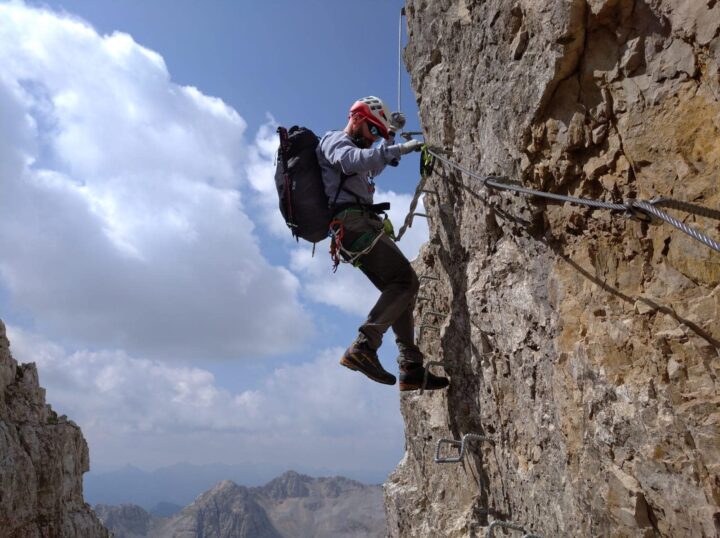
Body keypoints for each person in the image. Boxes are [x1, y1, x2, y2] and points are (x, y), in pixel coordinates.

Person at [316, 96, 449, 392]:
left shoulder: (358, 149)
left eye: (377, 134)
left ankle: (411, 368)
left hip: (356, 228)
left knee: (399, 290)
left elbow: (370, 168)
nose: (373, 138)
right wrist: (396, 147)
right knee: (405, 282)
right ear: (358, 119)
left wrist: (388, 138)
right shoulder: (334, 140)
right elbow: (353, 161)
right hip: (353, 224)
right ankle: (364, 346)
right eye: (372, 131)